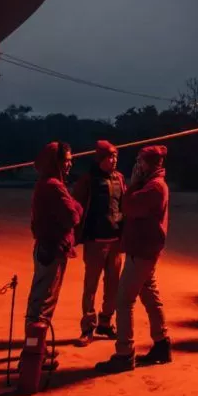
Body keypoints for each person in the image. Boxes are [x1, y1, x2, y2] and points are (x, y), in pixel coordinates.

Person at [95, 145, 170, 373]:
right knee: (150, 295)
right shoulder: (154, 184)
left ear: (149, 164)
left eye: (140, 161)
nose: (137, 165)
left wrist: (134, 182)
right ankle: (161, 343)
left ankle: (125, 353)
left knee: (124, 300)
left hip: (142, 250)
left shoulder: (154, 188)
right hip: (145, 249)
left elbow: (127, 206)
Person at [25, 142, 83, 363]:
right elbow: (73, 216)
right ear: (56, 162)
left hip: (48, 247)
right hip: (52, 249)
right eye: (67, 160)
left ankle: (38, 348)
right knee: (42, 302)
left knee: (41, 300)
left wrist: (72, 205)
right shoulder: (53, 186)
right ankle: (32, 355)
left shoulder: (50, 184)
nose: (70, 164)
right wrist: (76, 206)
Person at [73, 140, 125, 345]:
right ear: (100, 159)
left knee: (113, 285)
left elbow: (124, 204)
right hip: (95, 240)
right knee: (91, 286)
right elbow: (76, 207)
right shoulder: (88, 180)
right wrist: (76, 235)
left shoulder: (119, 178)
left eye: (115, 157)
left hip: (115, 241)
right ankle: (88, 327)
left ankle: (105, 322)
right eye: (109, 157)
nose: (113, 161)